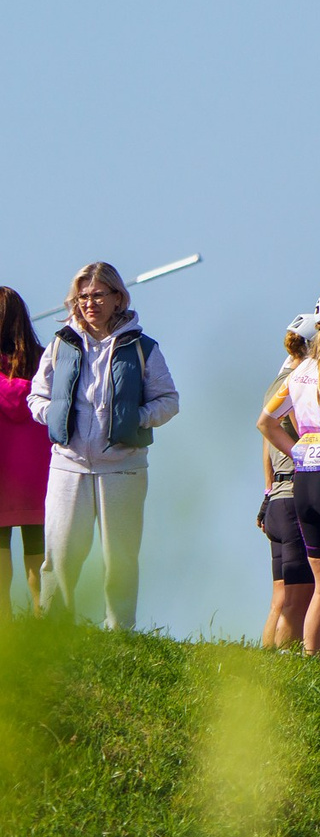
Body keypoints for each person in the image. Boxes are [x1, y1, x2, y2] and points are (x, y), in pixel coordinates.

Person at [27, 262, 179, 630]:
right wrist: (55, 416)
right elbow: (36, 396)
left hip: (123, 466)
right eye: (82, 297)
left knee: (120, 557)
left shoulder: (142, 347)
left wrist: (135, 420)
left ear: (117, 298)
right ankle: (54, 625)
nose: (89, 303)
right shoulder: (60, 344)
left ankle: (120, 630)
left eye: (97, 295)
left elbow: (169, 401)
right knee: (60, 552)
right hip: (68, 464)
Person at [259, 305, 320, 656]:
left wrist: (297, 450)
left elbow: (265, 422)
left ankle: (309, 657)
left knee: (319, 589)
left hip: (304, 478)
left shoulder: (297, 372)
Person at [255, 330, 311, 648]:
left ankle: (267, 663)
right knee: (298, 596)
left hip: (276, 497)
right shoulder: (297, 385)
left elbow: (266, 446)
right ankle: (285, 669)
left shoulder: (275, 386)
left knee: (281, 596)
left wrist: (266, 495)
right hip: (294, 496)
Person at [0, 288, 50, 611]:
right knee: (37, 552)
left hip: (2, 472)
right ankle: (42, 618)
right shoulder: (46, 361)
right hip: (39, 473)